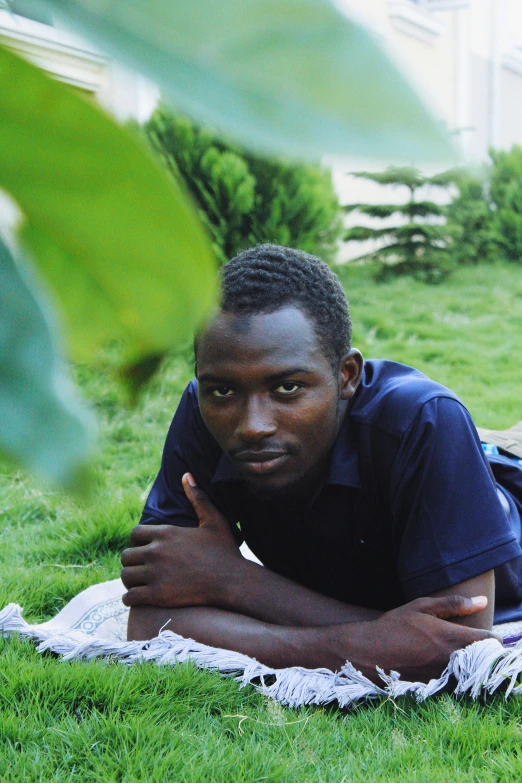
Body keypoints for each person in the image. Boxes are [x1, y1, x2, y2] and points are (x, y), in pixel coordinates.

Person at [120, 244, 522, 684]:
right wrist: (364, 644)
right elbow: (149, 621)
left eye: (288, 388)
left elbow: (460, 648)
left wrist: (233, 581)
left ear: (345, 375)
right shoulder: (203, 409)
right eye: (222, 392)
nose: (252, 426)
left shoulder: (425, 420)